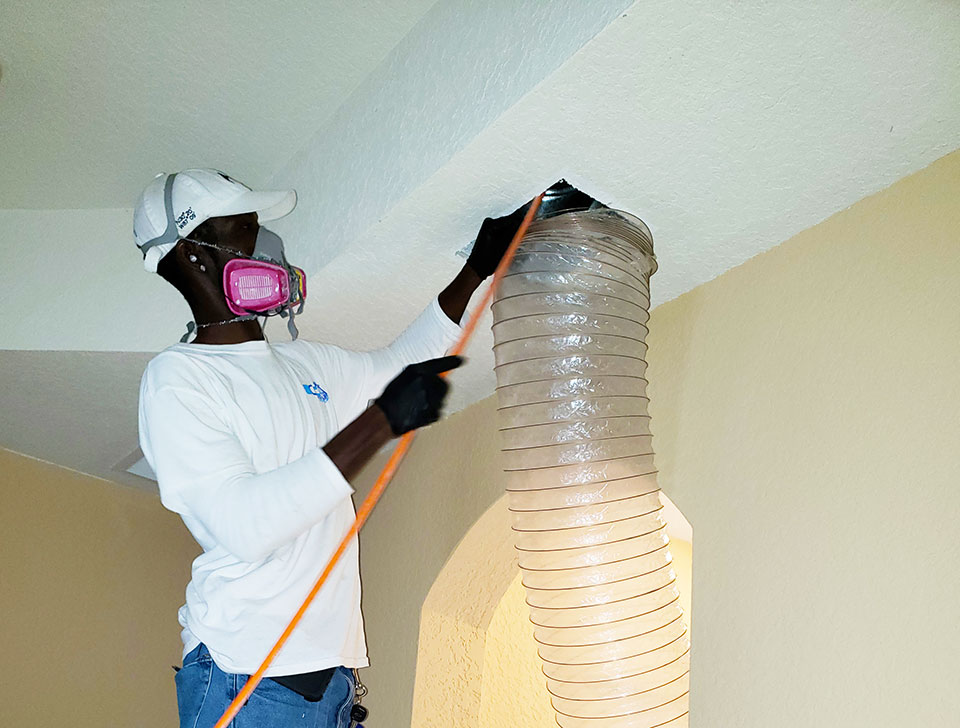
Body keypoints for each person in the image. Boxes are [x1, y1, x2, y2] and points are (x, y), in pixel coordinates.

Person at [134, 169, 525, 728]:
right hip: (245, 681)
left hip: (329, 687)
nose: (266, 246)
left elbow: (398, 368)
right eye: (243, 230)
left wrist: (478, 267)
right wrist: (379, 422)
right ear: (193, 255)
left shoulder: (307, 365)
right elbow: (246, 525)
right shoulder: (178, 379)